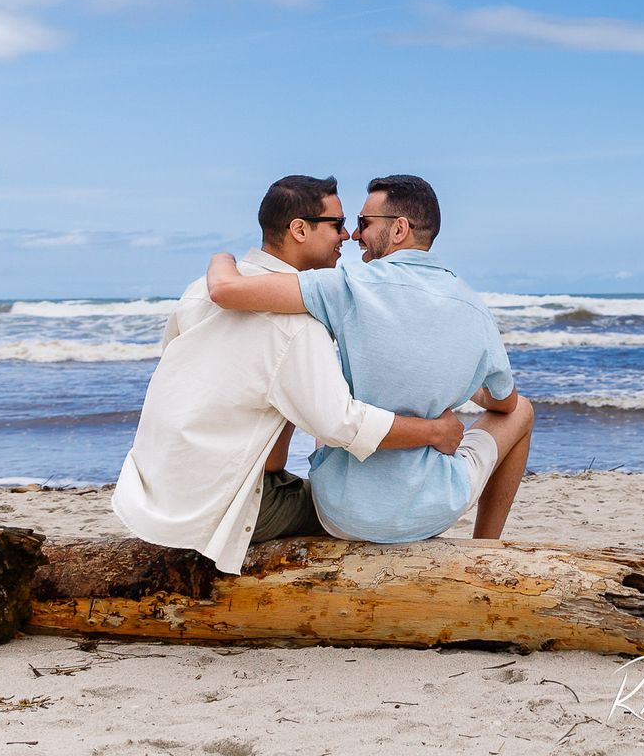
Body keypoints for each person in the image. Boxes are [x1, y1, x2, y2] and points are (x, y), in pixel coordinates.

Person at [113, 174, 465, 573]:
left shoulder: (199, 289)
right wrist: (436, 432)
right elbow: (342, 424)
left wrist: (220, 258)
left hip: (155, 491)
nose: (348, 236)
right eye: (336, 224)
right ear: (299, 229)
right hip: (218, 505)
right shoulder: (297, 323)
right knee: (346, 510)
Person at [206, 173, 534, 543]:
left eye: (363, 223)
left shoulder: (344, 287)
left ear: (399, 230)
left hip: (340, 512)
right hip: (433, 510)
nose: (355, 235)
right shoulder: (473, 308)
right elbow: (503, 403)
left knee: (335, 379)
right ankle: (486, 546)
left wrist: (222, 257)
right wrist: (457, 382)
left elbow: (226, 290)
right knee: (523, 410)